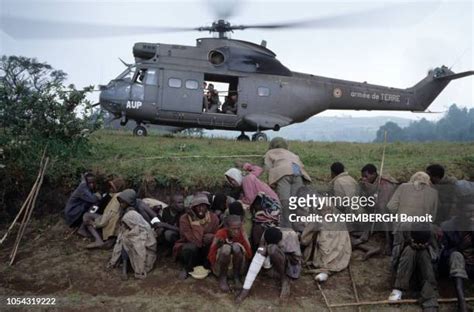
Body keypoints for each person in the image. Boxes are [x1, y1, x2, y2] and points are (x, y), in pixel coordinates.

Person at [387, 172, 439, 311]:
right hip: (423, 233)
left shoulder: (403, 187)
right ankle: (429, 296)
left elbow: (391, 207)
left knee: (411, 252)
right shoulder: (433, 193)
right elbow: (432, 216)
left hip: (407, 232)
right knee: (415, 253)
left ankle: (398, 290)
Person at [236, 227, 302, 303]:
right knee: (264, 250)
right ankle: (246, 289)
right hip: (273, 260)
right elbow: (260, 251)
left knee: (272, 249)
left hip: (291, 261)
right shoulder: (266, 233)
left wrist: (280, 252)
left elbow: (296, 259)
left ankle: (284, 278)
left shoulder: (291, 236)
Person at [300, 190, 351, 282]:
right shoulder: (317, 220)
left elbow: (344, 239)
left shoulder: (337, 220)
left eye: (328, 209)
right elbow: (304, 240)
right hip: (325, 252)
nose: (327, 212)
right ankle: (325, 268)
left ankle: (326, 268)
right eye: (324, 210)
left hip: (335, 253)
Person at [108, 189, 157, 280]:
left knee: (128, 242)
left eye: (123, 202)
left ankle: (125, 269)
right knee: (125, 240)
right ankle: (124, 267)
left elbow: (154, 216)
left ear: (129, 201)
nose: (121, 204)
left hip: (145, 234)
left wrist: (156, 225)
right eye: (120, 201)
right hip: (134, 233)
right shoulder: (125, 210)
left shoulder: (140, 206)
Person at [438, 186, 474, 312]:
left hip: (471, 264)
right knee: (456, 255)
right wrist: (459, 247)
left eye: (473, 212)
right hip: (453, 266)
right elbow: (442, 254)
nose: (471, 215)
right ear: (459, 211)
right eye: (468, 212)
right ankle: (461, 302)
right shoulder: (447, 226)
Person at [263, 137, 311, 229]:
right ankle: (300, 229)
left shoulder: (270, 153)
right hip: (297, 172)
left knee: (285, 203)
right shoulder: (293, 154)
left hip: (283, 174)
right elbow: (301, 165)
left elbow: (267, 167)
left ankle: (287, 229)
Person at [173, 193, 220, 280]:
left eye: (203, 206)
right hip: (190, 249)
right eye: (197, 206)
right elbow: (195, 241)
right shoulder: (184, 218)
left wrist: (213, 237)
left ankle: (208, 266)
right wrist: (194, 220)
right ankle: (186, 267)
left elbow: (218, 236)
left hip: (205, 250)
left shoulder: (214, 218)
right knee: (190, 247)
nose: (201, 208)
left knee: (212, 244)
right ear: (193, 207)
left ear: (207, 207)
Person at [359, 163, 399, 256]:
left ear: (373, 174)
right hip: (378, 208)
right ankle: (366, 234)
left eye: (366, 176)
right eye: (362, 176)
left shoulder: (385, 185)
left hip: (390, 211)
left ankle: (389, 243)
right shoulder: (369, 182)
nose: (364, 178)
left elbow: (383, 207)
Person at [208, 215, 253, 292]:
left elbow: (249, 254)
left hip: (238, 268)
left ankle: (236, 277)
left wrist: (241, 243)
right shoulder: (220, 234)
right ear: (227, 228)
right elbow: (211, 256)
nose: (236, 231)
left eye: (238, 228)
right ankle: (222, 278)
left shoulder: (242, 234)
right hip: (220, 268)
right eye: (233, 229)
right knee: (226, 249)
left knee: (236, 247)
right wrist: (219, 246)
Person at [82, 177, 126, 249]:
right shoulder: (123, 196)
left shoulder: (116, 198)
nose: (110, 189)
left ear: (116, 188)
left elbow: (109, 215)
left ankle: (98, 240)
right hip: (116, 225)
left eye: (111, 187)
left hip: (110, 223)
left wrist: (94, 224)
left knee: (86, 216)